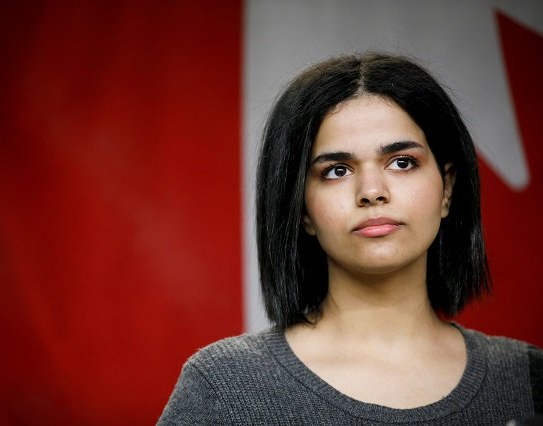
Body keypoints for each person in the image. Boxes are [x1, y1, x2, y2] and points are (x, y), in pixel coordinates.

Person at [158, 52, 543, 425]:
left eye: (402, 162)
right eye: (337, 170)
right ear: (303, 210)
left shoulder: (527, 380)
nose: (372, 191)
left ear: (447, 189)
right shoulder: (225, 387)